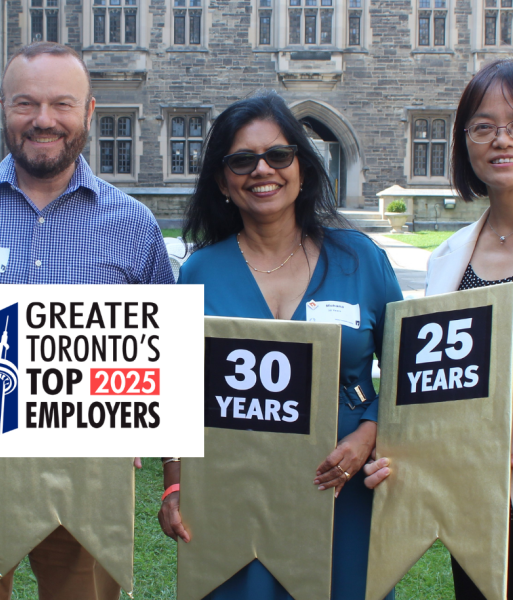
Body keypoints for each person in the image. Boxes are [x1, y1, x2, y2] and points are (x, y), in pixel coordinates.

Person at [158, 91, 401, 599]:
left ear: (302, 166)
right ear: (224, 182)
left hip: (341, 485)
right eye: (242, 160)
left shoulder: (360, 258)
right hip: (235, 486)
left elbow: (404, 374)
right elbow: (177, 393)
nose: (262, 169)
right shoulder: (200, 271)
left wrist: (369, 434)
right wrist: (176, 483)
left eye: (278, 155)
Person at [364, 59, 513, 599]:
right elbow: (433, 381)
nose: (501, 139)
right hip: (473, 507)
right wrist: (397, 451)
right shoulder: (446, 258)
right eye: (483, 126)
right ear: (465, 142)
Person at [0, 42, 174, 600]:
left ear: (89, 112)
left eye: (62, 105)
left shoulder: (133, 224)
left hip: (86, 469)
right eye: (26, 104)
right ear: (3, 107)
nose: (44, 120)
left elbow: (164, 356)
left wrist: (152, 430)